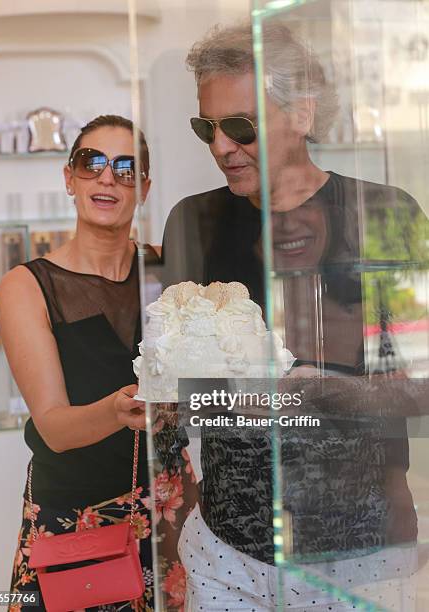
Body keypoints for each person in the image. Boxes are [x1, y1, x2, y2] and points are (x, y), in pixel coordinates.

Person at [156, 21, 427, 611]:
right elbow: (182, 387)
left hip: (358, 553)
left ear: (302, 114)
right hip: (225, 552)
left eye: (240, 125)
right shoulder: (191, 224)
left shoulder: (384, 214)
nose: (220, 146)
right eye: (207, 127)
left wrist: (328, 395)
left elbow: (424, 385)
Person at [0, 115, 155, 611]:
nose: (108, 177)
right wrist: (115, 411)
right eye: (93, 163)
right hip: (73, 517)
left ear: (144, 187)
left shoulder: (168, 270)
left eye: (126, 167)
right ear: (69, 178)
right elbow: (55, 429)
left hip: (164, 505)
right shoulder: (27, 286)